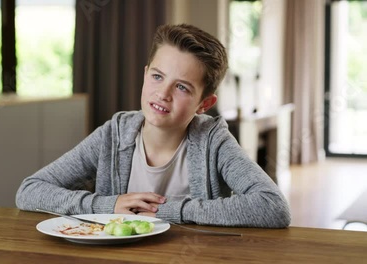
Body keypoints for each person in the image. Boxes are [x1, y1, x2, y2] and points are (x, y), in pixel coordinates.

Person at [16, 24, 291, 228]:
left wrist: (171, 210)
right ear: (146, 74)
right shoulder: (113, 135)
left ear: (204, 104)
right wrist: (107, 206)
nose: (163, 93)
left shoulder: (213, 141)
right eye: (158, 77)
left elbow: (272, 206)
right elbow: (29, 191)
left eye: (182, 87)